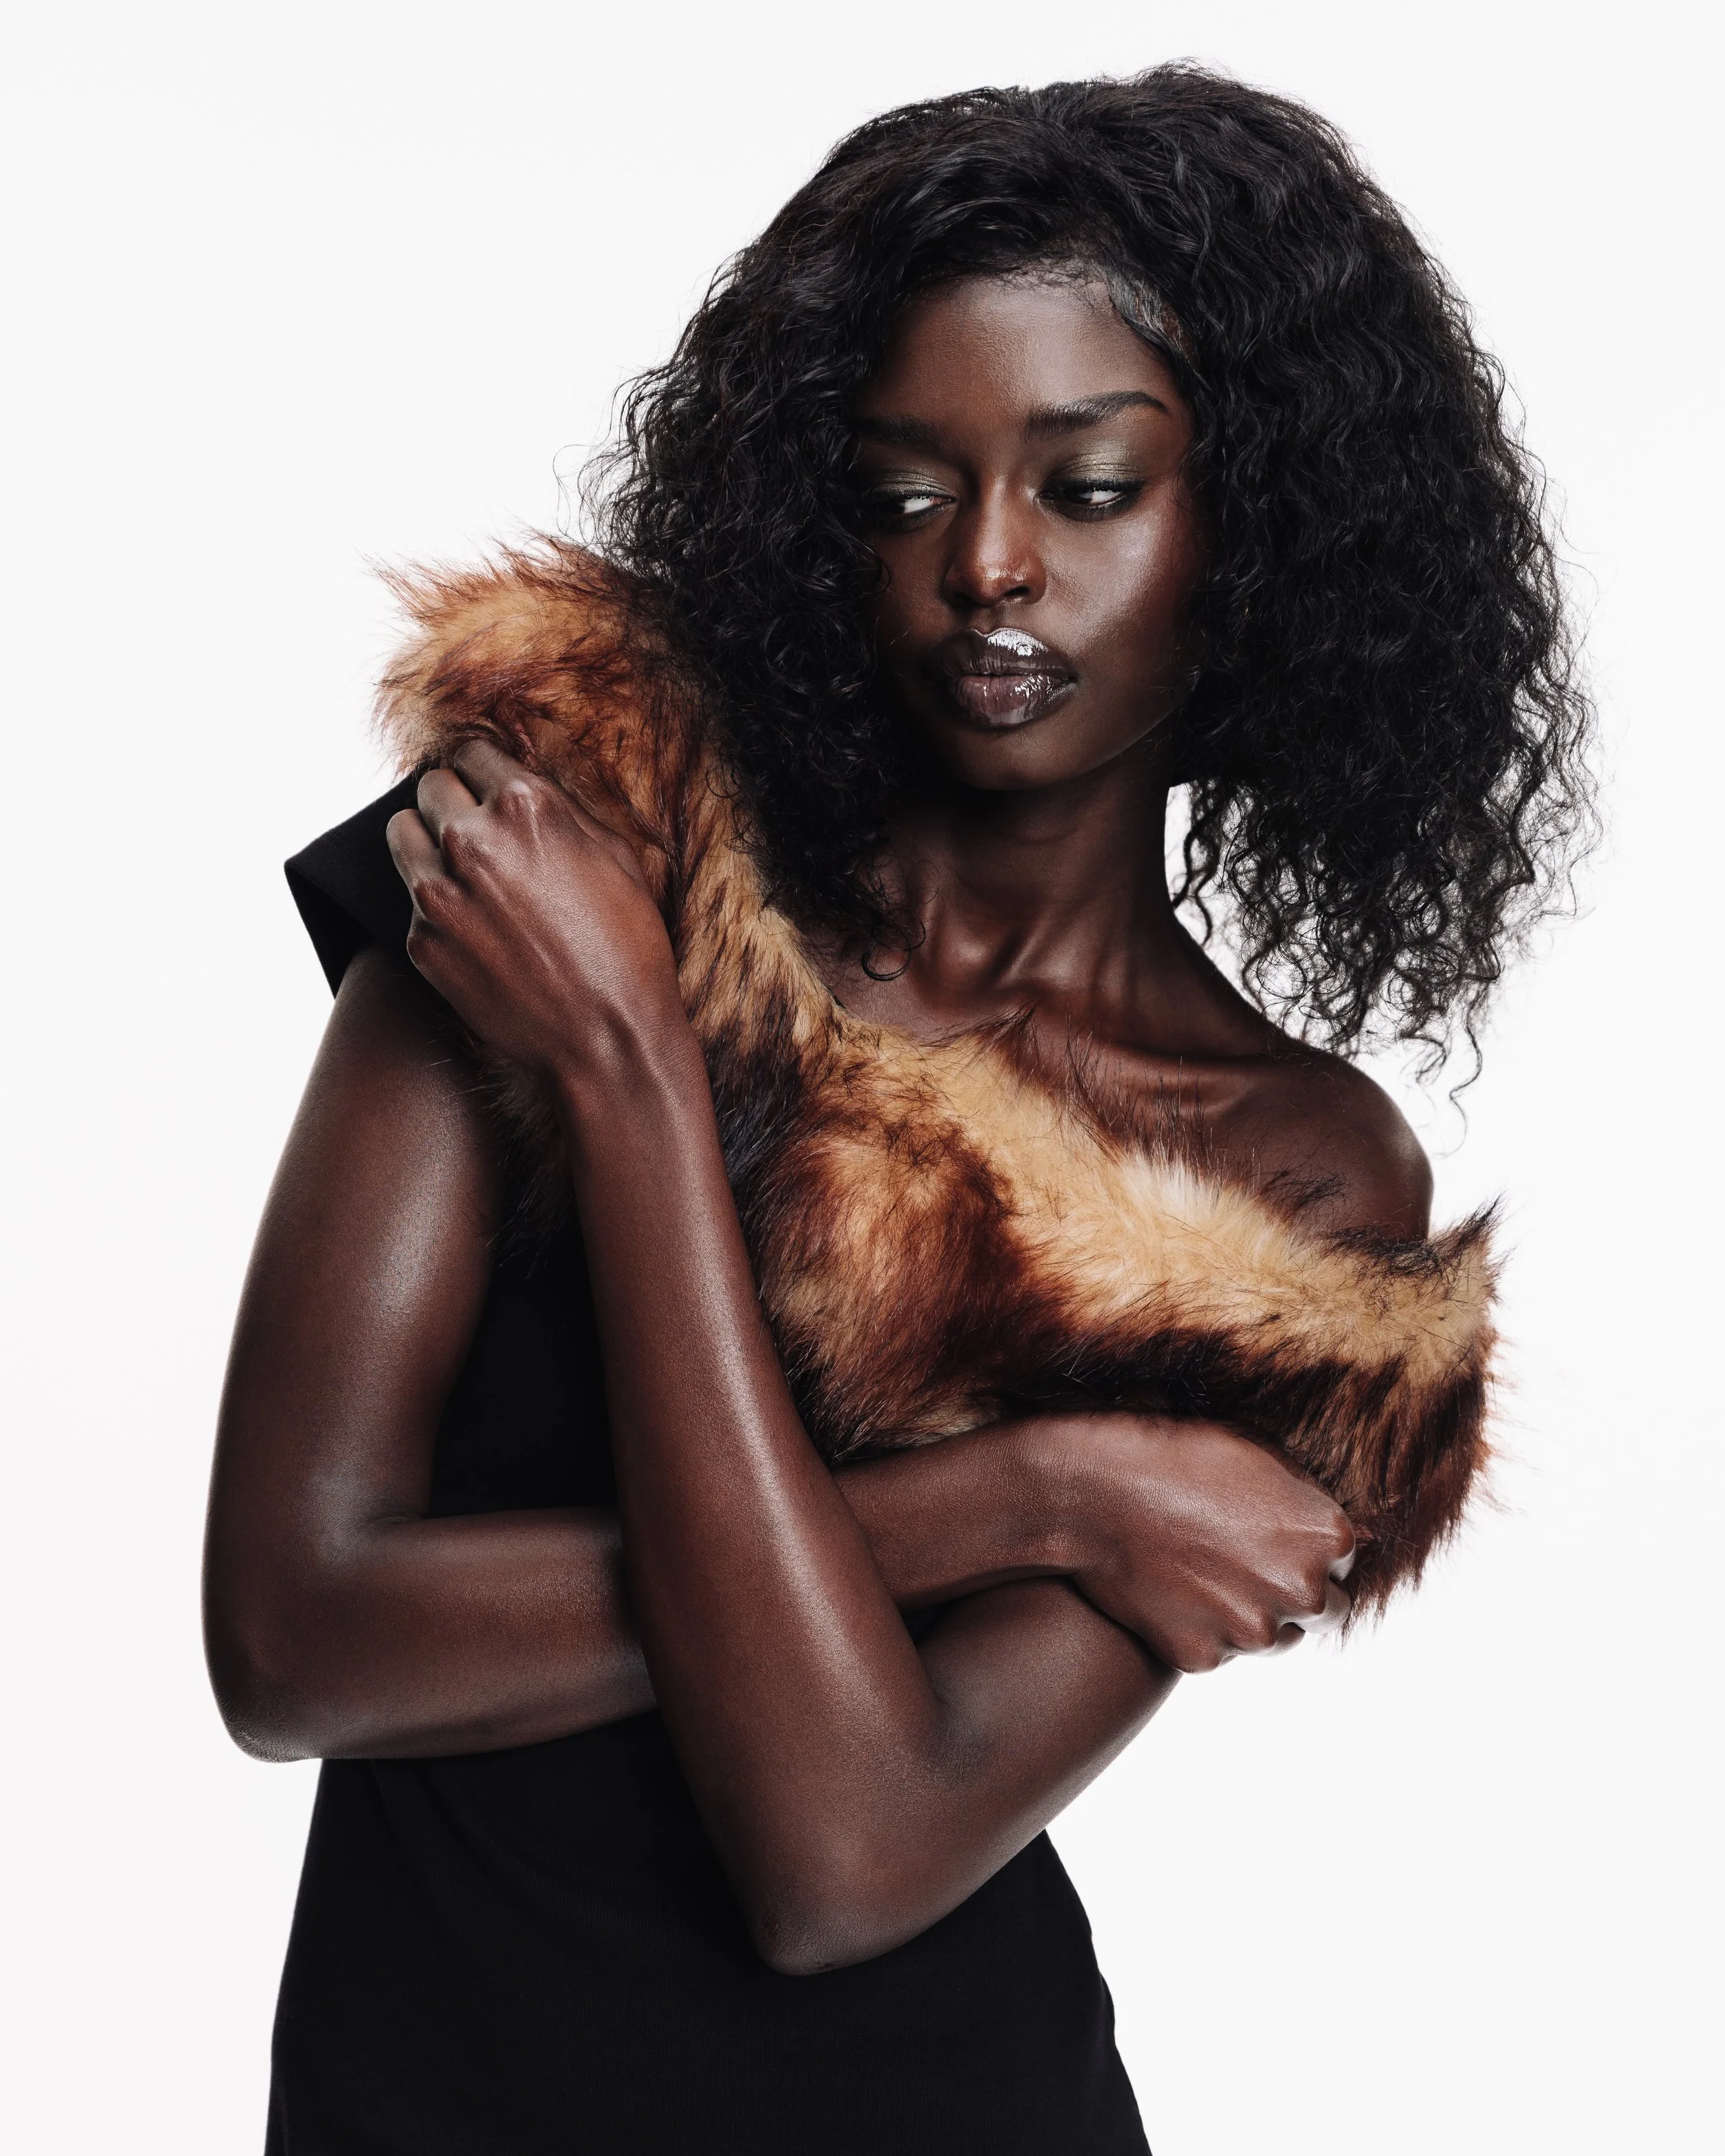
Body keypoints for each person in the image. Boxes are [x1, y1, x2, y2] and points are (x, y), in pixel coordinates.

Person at [205, 66, 1593, 2155]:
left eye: (1089, 484)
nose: (989, 570)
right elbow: (292, 1634)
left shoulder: (1282, 1183)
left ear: (1254, 527)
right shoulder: (574, 874)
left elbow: (845, 1845)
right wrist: (1035, 1494)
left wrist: (638, 1091)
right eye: (901, 492)